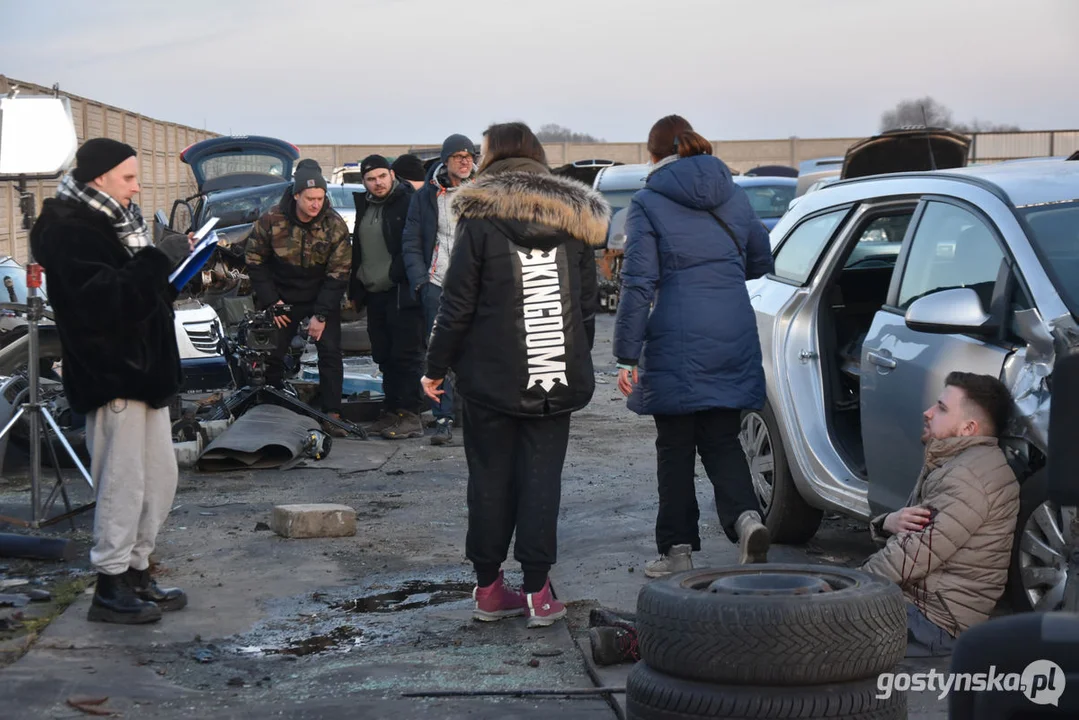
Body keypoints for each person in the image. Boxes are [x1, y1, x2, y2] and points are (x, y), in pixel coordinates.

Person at [420, 122, 609, 627]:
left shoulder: (479, 220)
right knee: (541, 478)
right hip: (552, 376)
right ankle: (538, 594)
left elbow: (456, 304)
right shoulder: (573, 222)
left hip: (489, 378)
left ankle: (488, 590)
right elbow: (586, 306)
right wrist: (571, 356)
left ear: (494, 157)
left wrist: (435, 367)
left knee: (488, 478)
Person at [29, 138, 187, 624]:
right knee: (122, 483)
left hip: (145, 372)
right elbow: (103, 304)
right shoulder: (71, 231)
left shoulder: (118, 222)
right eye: (128, 179)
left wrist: (176, 266)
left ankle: (137, 570)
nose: (136, 188)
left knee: (159, 479)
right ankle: (110, 583)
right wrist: (159, 260)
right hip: (113, 373)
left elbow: (140, 291)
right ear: (99, 178)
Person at [613, 114, 774, 577]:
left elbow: (638, 282)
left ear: (653, 154)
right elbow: (761, 258)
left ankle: (677, 550)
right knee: (724, 439)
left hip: (676, 337)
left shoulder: (647, 201)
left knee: (676, 447)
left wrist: (626, 353)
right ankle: (746, 521)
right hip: (732, 329)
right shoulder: (735, 194)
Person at [861, 371, 1020, 657]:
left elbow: (910, 557)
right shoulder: (956, 460)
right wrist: (887, 522)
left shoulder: (966, 477)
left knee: (817, 628)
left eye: (942, 408)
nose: (928, 412)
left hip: (935, 622)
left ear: (968, 428)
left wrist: (848, 591)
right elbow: (911, 539)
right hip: (926, 606)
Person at [245, 159, 351, 437]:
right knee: (273, 353)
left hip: (320, 294)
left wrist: (322, 315)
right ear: (296, 196)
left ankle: (332, 413)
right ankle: (272, 406)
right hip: (281, 295)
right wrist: (271, 302)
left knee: (330, 352)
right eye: (310, 199)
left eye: (320, 198)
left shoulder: (334, 225)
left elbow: (339, 273)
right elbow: (255, 260)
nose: (316, 204)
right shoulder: (271, 219)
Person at [402, 134, 478, 445]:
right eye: (458, 155)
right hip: (436, 284)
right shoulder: (426, 195)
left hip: (475, 286)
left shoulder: (482, 191)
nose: (464, 160)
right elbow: (410, 240)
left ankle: (476, 416)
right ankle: (442, 418)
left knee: (478, 350)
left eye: (469, 155)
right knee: (438, 352)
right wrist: (420, 280)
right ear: (446, 160)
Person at [347, 155, 425, 439]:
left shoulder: (409, 202)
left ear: (391, 175)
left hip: (402, 292)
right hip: (374, 293)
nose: (377, 183)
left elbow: (416, 244)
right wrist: (355, 289)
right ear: (364, 182)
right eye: (371, 179)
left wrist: (394, 274)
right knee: (384, 355)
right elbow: (360, 251)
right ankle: (392, 411)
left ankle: (410, 415)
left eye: (381, 176)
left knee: (407, 356)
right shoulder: (365, 205)